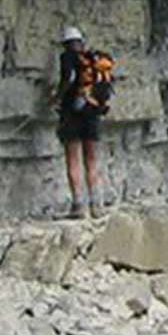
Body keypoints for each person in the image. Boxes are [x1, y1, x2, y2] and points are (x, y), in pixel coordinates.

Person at [52, 26, 104, 219]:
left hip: (72, 114)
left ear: (65, 44)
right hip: (92, 113)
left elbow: (69, 78)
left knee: (73, 159)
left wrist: (57, 97)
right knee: (91, 159)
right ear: (81, 42)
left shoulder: (67, 57)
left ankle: (78, 206)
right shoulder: (93, 60)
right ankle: (97, 205)